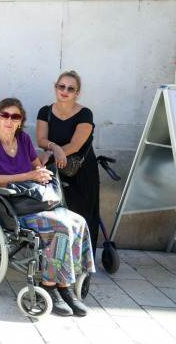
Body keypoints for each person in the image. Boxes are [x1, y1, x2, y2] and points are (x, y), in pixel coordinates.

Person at [0, 97, 94, 317]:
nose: (9, 120)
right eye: (5, 115)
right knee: (60, 226)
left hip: (34, 200)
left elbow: (37, 168)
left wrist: (42, 173)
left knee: (77, 221)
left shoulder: (25, 140)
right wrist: (27, 176)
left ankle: (65, 286)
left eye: (15, 116)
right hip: (10, 204)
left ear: (21, 121)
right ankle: (50, 286)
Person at [37, 71, 100, 251]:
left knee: (83, 214)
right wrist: (53, 148)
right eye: (61, 86)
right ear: (55, 88)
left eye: (70, 89)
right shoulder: (45, 111)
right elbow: (41, 140)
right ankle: (56, 259)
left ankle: (83, 265)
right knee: (57, 215)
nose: (65, 91)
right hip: (56, 170)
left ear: (77, 93)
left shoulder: (85, 114)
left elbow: (75, 145)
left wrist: (50, 152)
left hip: (82, 171)